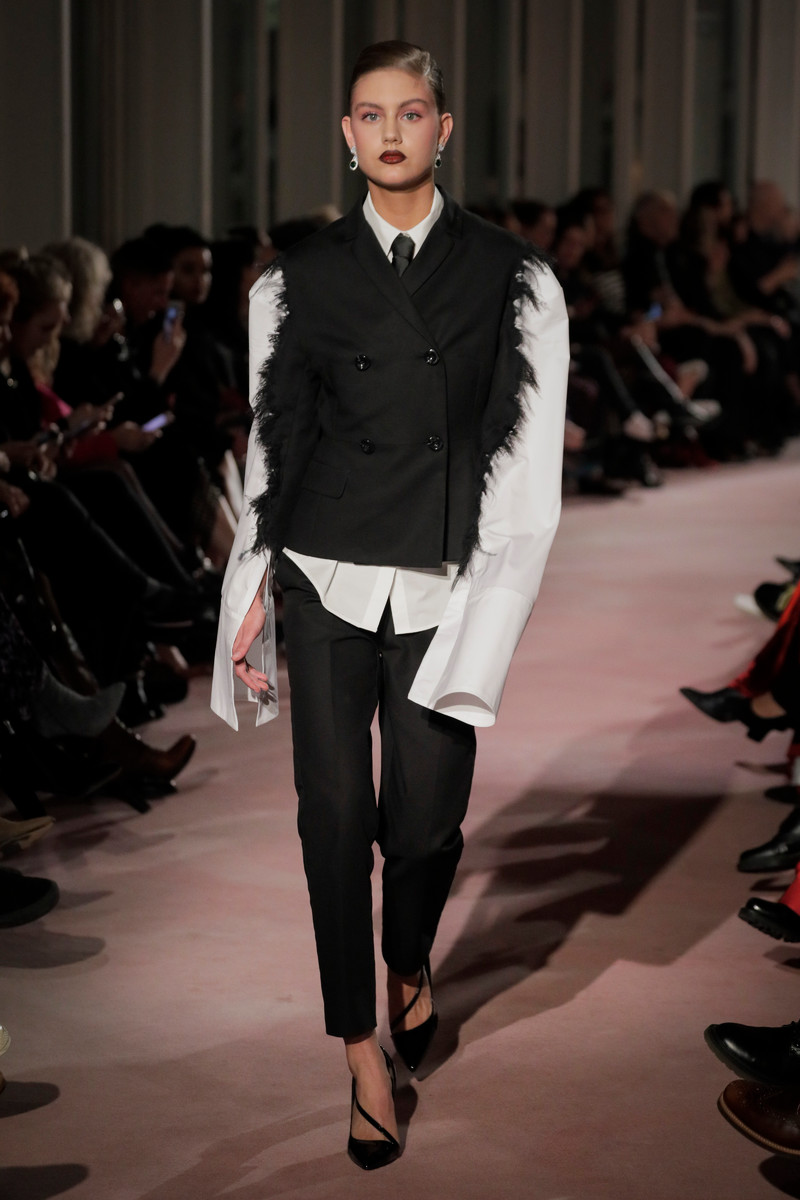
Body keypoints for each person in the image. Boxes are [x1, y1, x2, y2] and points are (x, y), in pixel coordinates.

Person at [211, 40, 568, 1169]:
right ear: (347, 134)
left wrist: (497, 606)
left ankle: (407, 959)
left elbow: (528, 473)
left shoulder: (515, 277)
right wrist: (252, 589)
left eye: (411, 113)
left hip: (443, 579)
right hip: (322, 571)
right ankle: (360, 1049)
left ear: (443, 129)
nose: (391, 133)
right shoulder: (292, 280)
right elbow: (275, 440)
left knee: (422, 826)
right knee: (330, 821)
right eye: (370, 115)